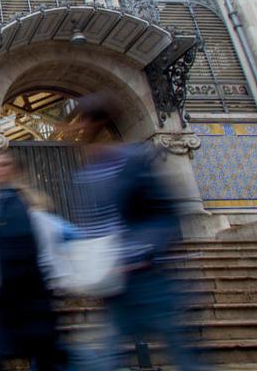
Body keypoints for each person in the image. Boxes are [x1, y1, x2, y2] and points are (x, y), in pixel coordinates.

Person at [69, 93, 204, 371]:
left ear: (97, 123)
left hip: (148, 276)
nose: (73, 128)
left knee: (181, 352)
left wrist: (140, 251)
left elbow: (165, 214)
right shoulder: (86, 170)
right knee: (104, 356)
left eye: (78, 120)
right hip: (114, 282)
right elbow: (93, 225)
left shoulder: (133, 159)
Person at [0, 152, 69, 371]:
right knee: (43, 357)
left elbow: (21, 253)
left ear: (14, 170)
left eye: (1, 165)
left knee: (41, 357)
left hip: (15, 299)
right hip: (5, 301)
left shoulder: (15, 205)